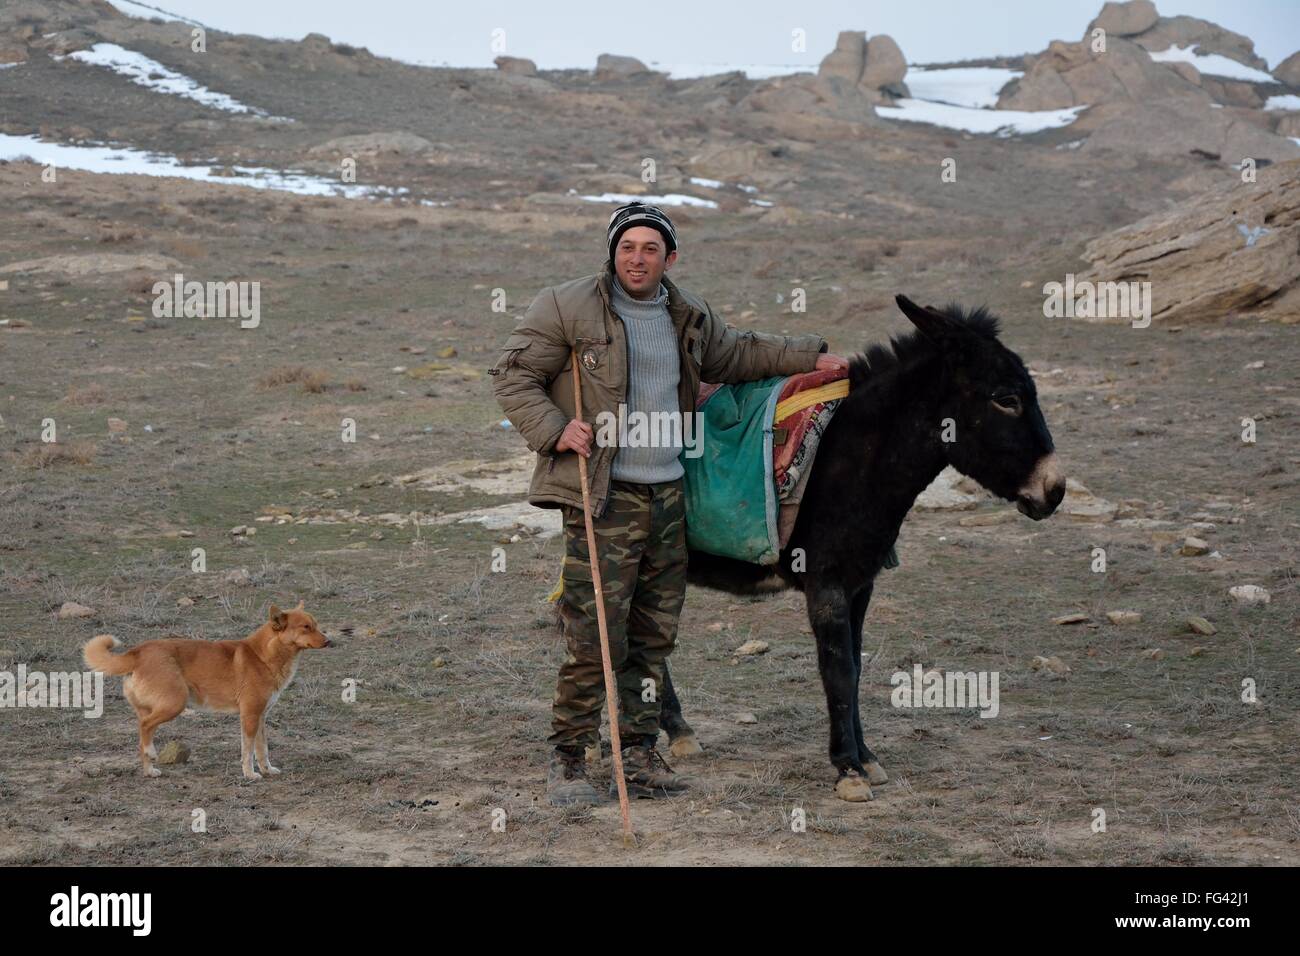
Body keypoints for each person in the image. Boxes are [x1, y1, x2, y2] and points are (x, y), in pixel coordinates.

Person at [490, 202, 848, 806]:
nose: (638, 257)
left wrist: (811, 357)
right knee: (595, 631)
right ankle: (569, 757)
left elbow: (740, 354)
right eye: (627, 247)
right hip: (603, 494)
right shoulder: (567, 305)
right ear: (612, 253)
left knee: (653, 634)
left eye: (650, 248)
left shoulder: (688, 315)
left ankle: (636, 751)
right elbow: (512, 373)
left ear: (669, 257)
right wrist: (554, 428)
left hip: (668, 494)